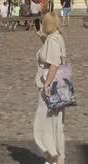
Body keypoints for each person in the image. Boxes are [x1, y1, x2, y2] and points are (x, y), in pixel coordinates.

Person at [34, 10, 67, 164]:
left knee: (46, 123)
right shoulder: (56, 38)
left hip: (50, 88)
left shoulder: (52, 41)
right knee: (56, 123)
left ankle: (53, 157)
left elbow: (54, 64)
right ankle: (57, 157)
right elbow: (52, 55)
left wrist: (46, 83)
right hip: (59, 87)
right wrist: (43, 39)